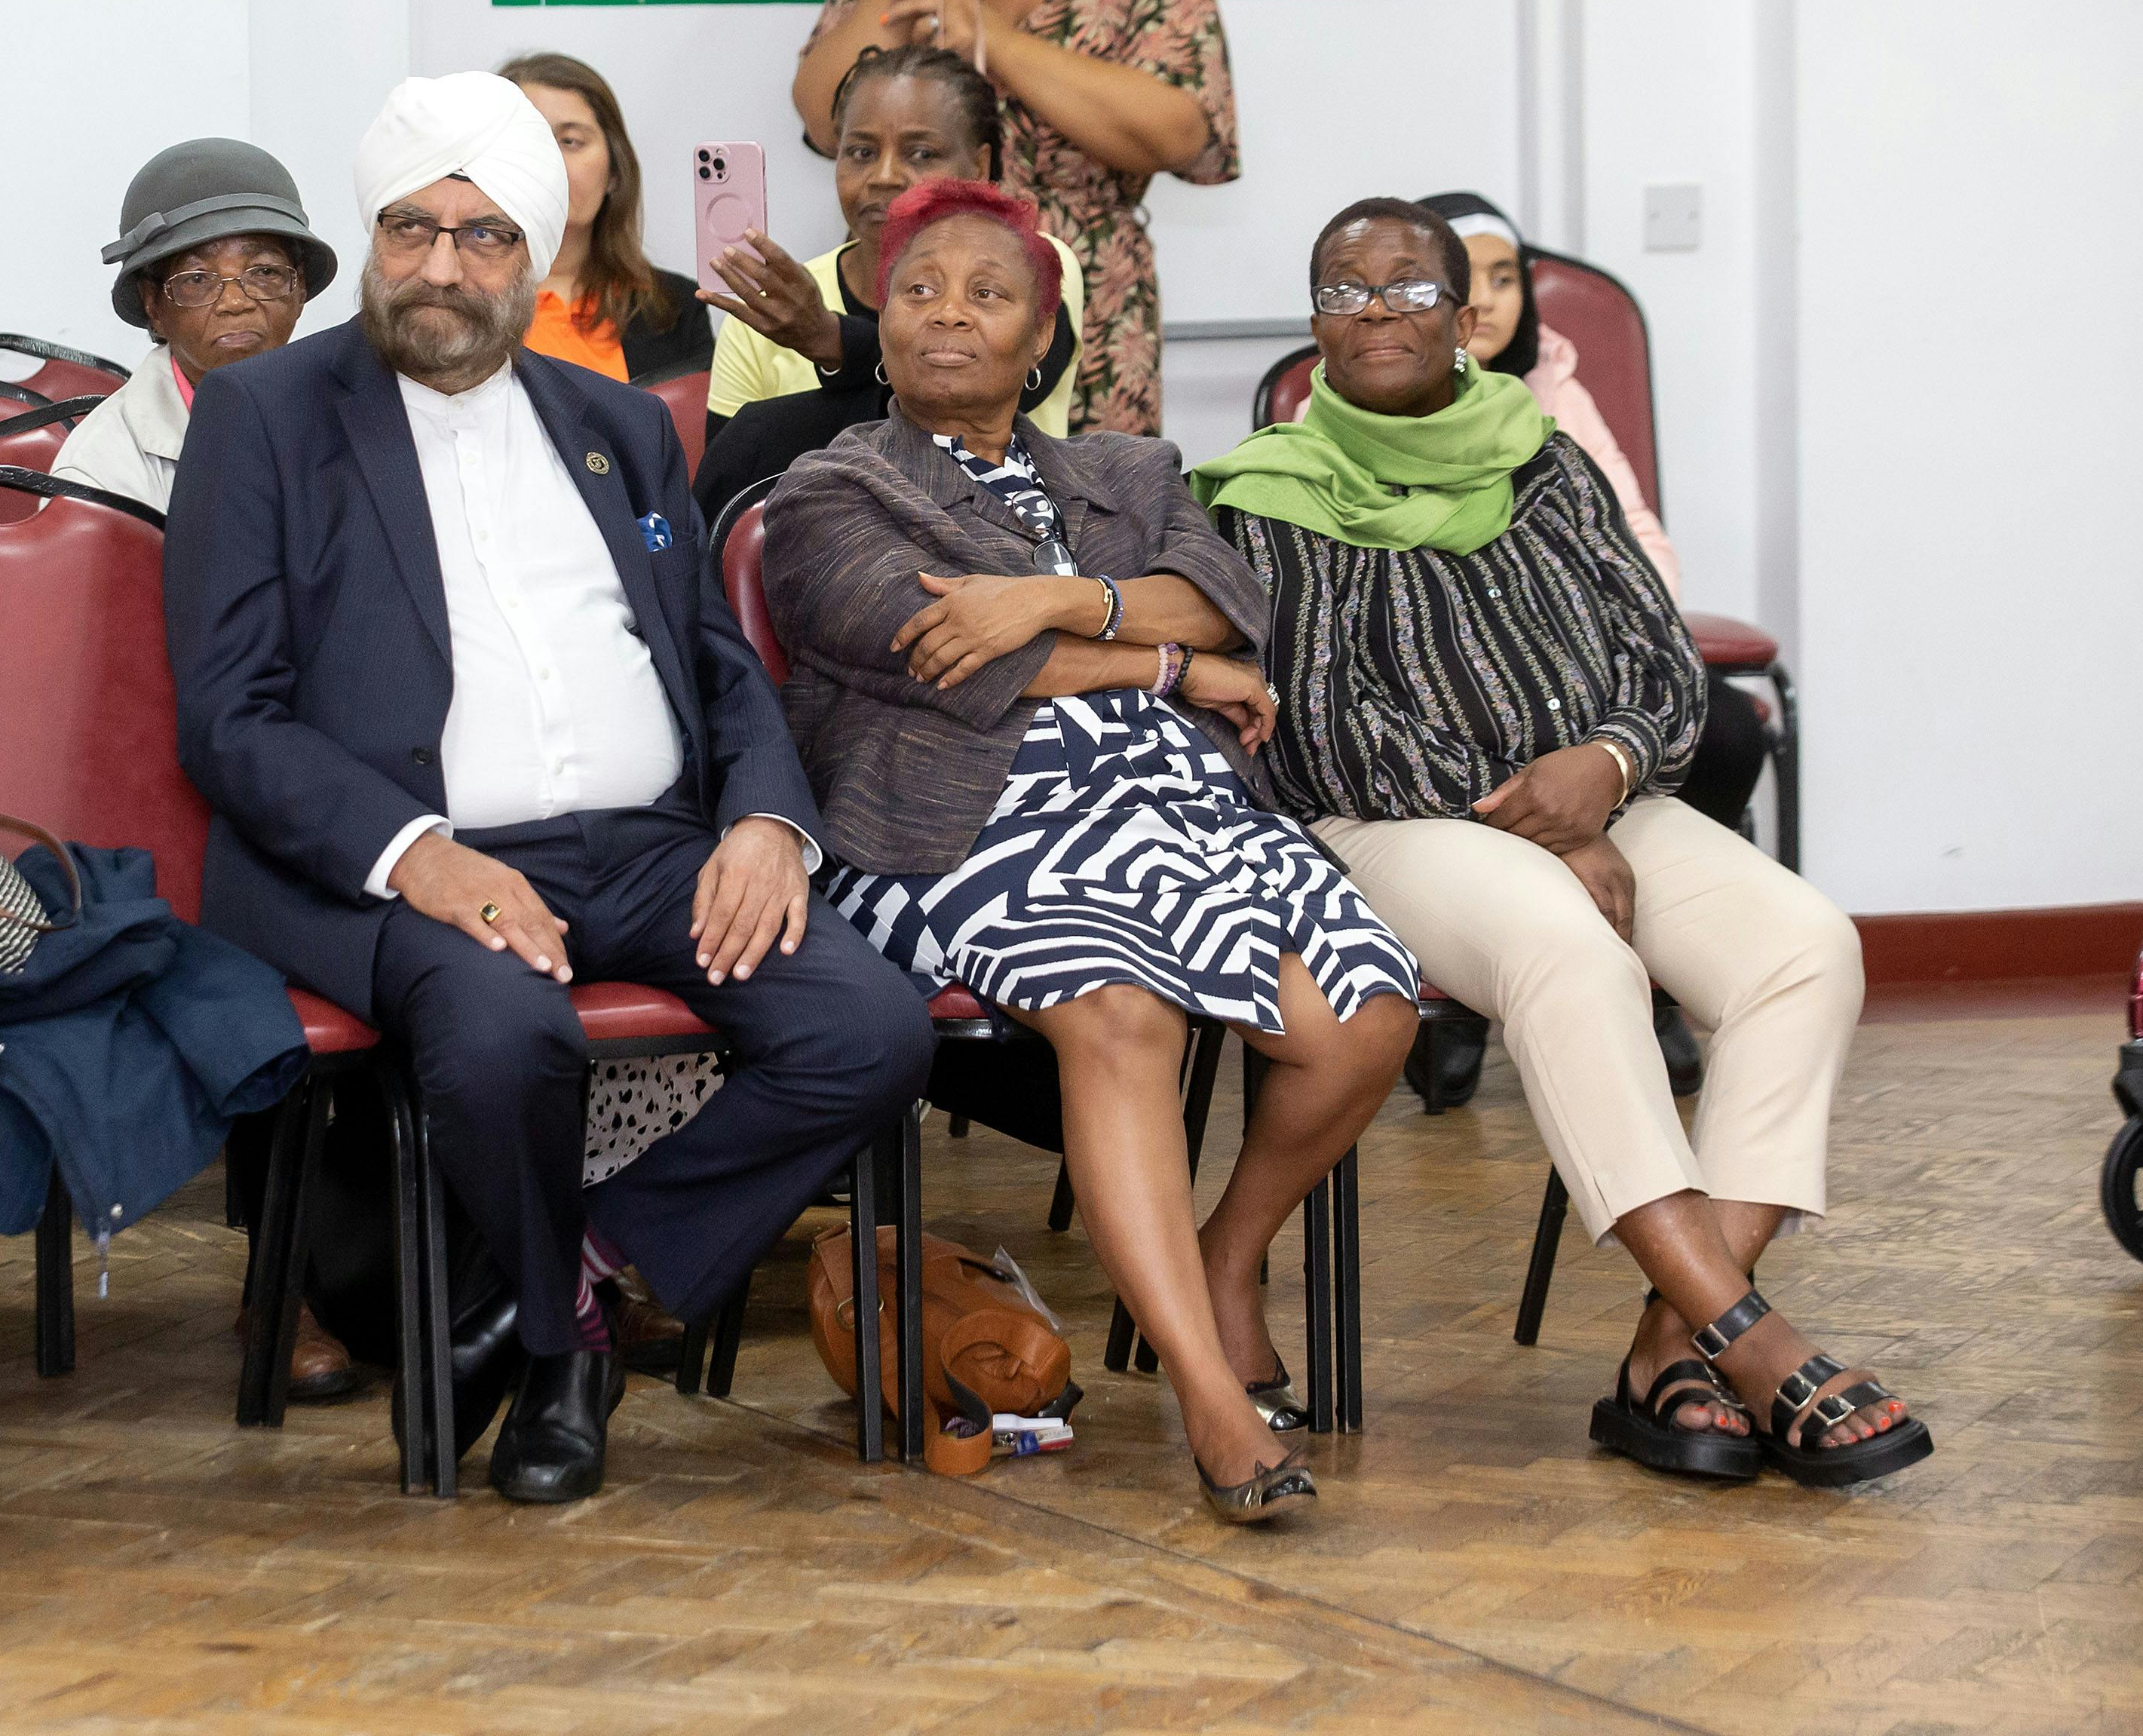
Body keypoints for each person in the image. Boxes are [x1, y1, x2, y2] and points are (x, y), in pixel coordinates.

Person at [166, 72, 936, 1505]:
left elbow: (714, 658)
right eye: (411, 229)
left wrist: (767, 819)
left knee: (869, 1026)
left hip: (647, 849)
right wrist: (420, 856)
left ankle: (572, 1287)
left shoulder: (619, 423)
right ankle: (565, 1357)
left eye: (482, 235)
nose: (442, 267)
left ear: (534, 253)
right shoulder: (267, 416)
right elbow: (231, 717)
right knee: (503, 1034)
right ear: (375, 239)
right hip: (408, 861)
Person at [1197, 198, 1932, 1489]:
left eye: (1411, 288)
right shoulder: (1270, 491)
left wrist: (1605, 769)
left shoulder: (1543, 460)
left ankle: (1670, 1341)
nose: (1377, 309)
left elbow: (1660, 656)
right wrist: (1541, 825)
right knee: (1569, 949)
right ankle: (1751, 1341)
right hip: (1388, 828)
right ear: (1315, 323)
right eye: (1345, 288)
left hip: (1598, 802)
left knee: (1804, 946)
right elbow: (1323, 730)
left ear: (1467, 318)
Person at [765, 180, 1414, 1522]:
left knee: (1365, 1018)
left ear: (1041, 338)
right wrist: (1166, 660)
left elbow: (1234, 608)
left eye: (989, 294)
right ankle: (1211, 1399)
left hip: (1183, 810)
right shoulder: (832, 492)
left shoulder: (1131, 472)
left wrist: (1059, 600)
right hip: (963, 822)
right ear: (878, 317)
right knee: (1119, 1017)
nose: (950, 311)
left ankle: (1225, 1258)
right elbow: (938, 657)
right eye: (923, 287)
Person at [792, 0, 1237, 435]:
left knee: (1091, 525)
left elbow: (1174, 133)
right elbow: (823, 117)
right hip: (917, 299)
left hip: (1088, 298)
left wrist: (990, 35)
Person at [1422, 190, 1773, 835]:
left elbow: (1635, 531)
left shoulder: (1558, 389)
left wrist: (1635, 630)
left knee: (1723, 732)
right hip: (1456, 666)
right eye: (1468, 277)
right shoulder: (1368, 399)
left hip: (1586, 647)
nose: (1492, 299)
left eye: (1506, 278)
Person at [694, 46, 1086, 520]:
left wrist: (832, 341)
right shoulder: (768, 309)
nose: (883, 177)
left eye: (920, 153)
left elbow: (978, 401)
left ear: (980, 167)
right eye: (860, 152)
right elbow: (731, 503)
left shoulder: (1031, 265)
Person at [58, 139, 339, 519]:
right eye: (196, 280)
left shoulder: (360, 417)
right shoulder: (99, 471)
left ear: (299, 287)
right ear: (153, 305)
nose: (236, 302)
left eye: (264, 272)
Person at [498, 54, 714, 385]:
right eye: (530, 140)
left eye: (570, 141)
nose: (551, 162)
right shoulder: (455, 298)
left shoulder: (676, 308)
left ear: (615, 171)